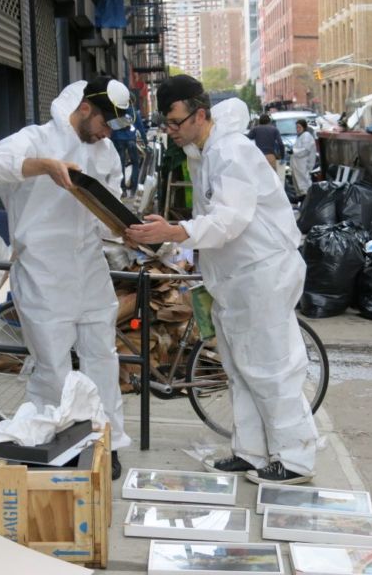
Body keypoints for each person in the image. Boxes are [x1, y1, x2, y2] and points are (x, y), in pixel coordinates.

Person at [125, 75, 318, 485]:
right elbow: (215, 221)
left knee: (271, 366)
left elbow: (229, 220)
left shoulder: (231, 152)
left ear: (200, 114)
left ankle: (296, 458)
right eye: (167, 122)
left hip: (261, 272)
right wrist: (177, 233)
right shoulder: (205, 153)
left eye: (176, 121)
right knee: (239, 367)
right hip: (235, 278)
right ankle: (250, 452)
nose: (170, 130)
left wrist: (175, 232)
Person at [0, 76, 133, 480]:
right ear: (85, 109)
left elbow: (109, 207)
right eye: (104, 123)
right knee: (52, 365)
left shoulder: (106, 152)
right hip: (44, 270)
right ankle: (51, 445)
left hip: (89, 265)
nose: (106, 133)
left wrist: (127, 228)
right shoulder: (34, 139)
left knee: (102, 356)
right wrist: (44, 167)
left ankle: (106, 440)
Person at [111, 105, 148, 196]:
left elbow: (111, 126)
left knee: (121, 164)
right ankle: (133, 186)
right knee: (135, 162)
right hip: (131, 140)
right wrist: (146, 143)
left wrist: (111, 139)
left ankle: (122, 189)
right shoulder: (134, 112)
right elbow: (141, 128)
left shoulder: (115, 111)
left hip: (118, 139)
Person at [289, 118, 316, 198]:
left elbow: (305, 150)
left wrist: (293, 151)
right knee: (300, 185)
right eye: (296, 127)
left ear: (304, 127)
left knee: (304, 184)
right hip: (299, 166)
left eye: (299, 127)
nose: (297, 129)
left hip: (303, 165)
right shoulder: (301, 136)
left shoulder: (306, 136)